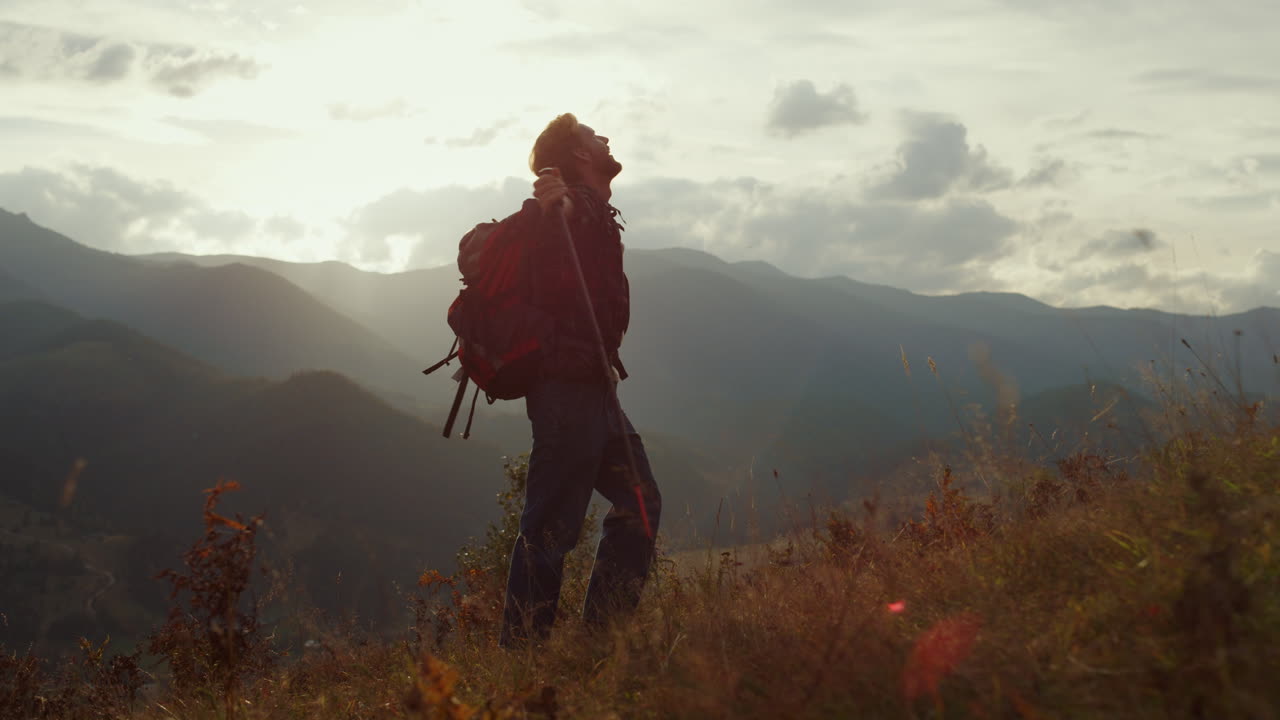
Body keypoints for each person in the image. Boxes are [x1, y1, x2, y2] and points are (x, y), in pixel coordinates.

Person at [499, 113, 662, 647]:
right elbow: (572, 214)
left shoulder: (588, 210)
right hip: (567, 390)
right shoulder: (577, 208)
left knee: (640, 502)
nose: (606, 138)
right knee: (549, 528)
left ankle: (599, 636)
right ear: (582, 155)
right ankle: (522, 657)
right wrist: (560, 201)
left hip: (593, 388)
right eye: (595, 135)